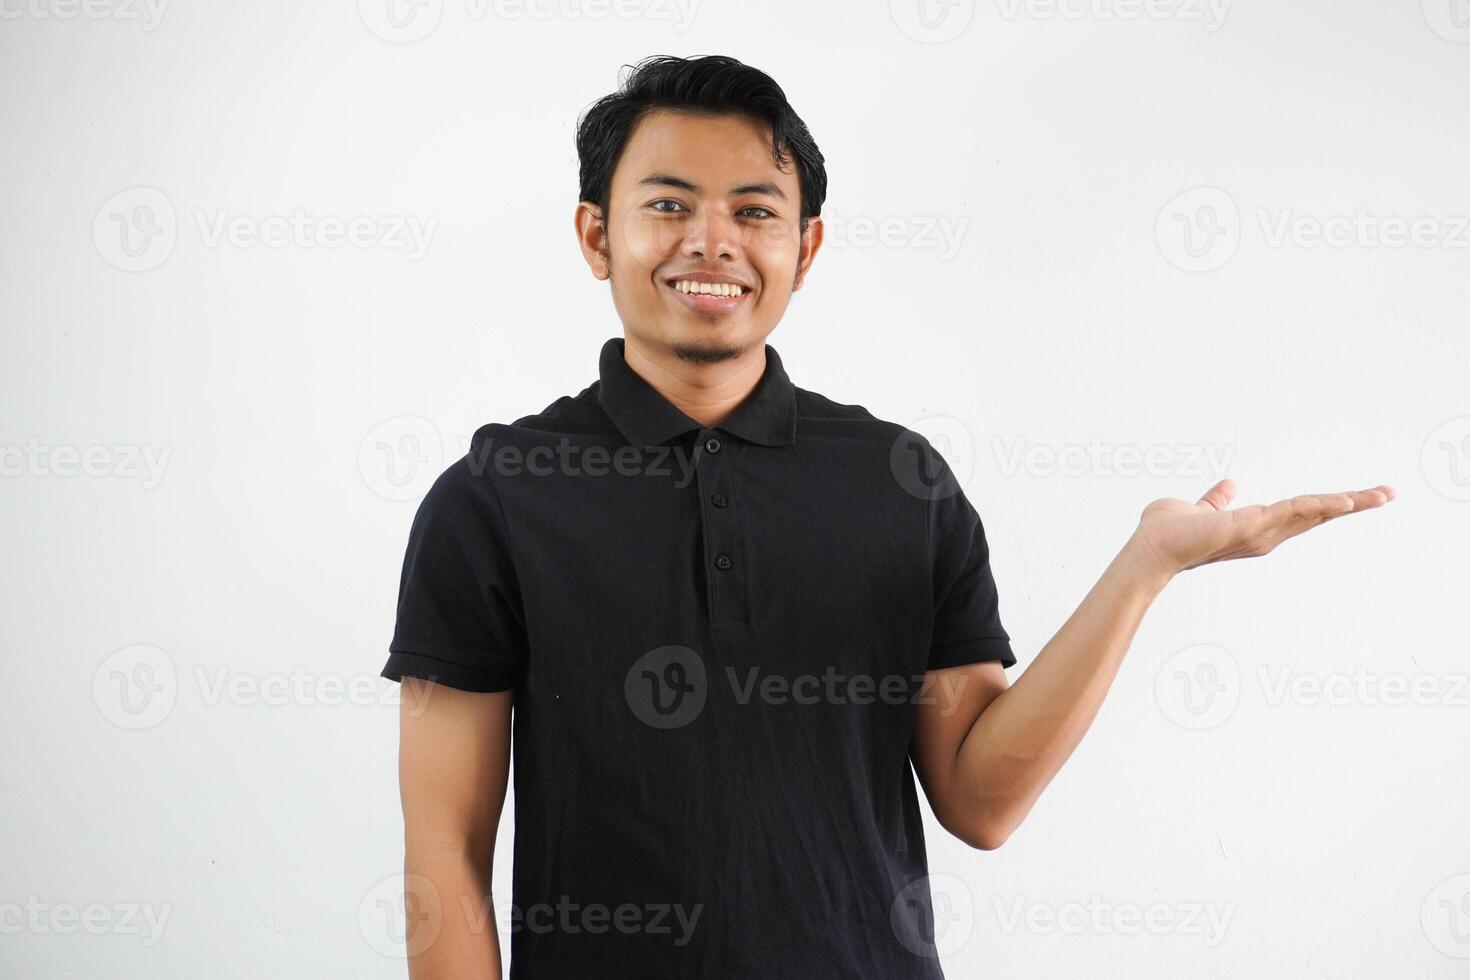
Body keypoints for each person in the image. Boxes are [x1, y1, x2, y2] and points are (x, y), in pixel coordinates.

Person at [380, 54, 1394, 979]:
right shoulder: (497, 493)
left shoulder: (900, 480)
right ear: (598, 234)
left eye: (754, 210)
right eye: (669, 204)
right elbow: (446, 850)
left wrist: (1144, 567)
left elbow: (981, 799)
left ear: (805, 245)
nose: (712, 241)